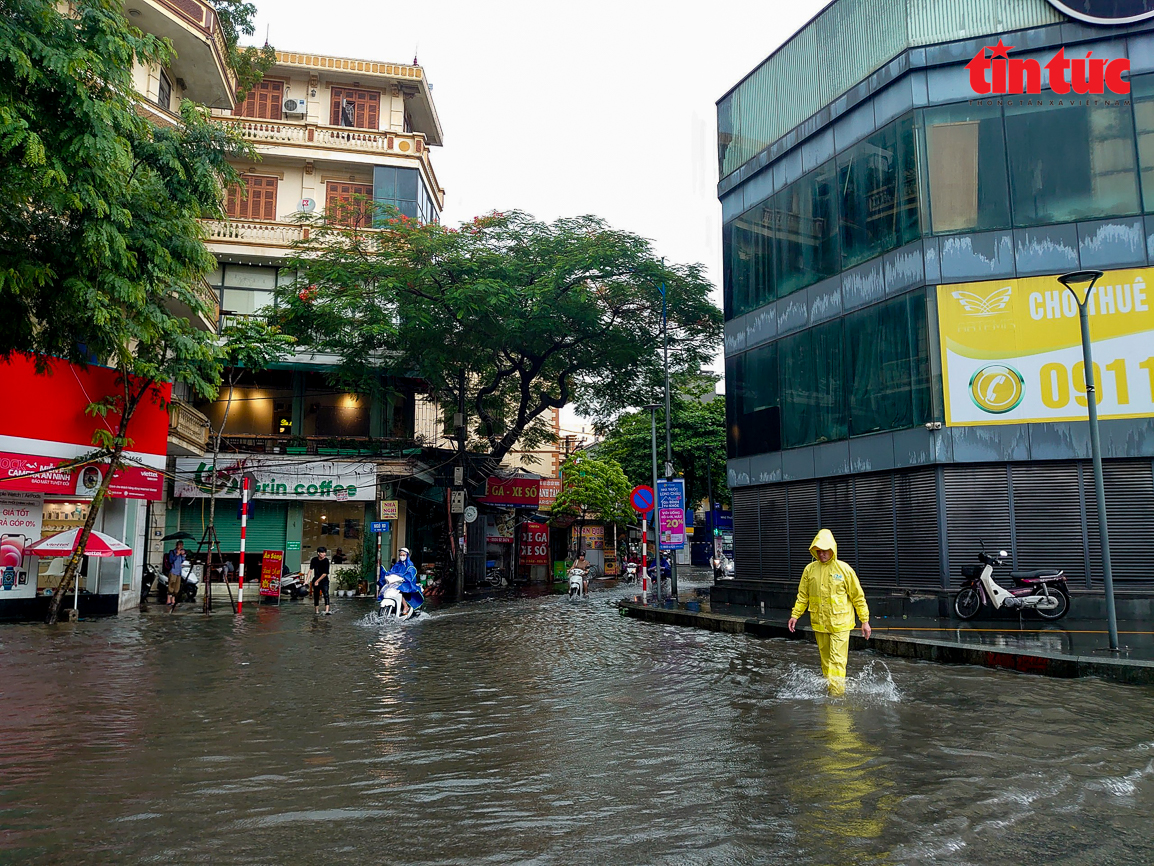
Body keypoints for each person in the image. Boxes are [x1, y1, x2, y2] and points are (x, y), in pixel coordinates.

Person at [787, 529, 870, 696]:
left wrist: (865, 620)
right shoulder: (810, 570)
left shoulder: (844, 569)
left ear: (832, 549)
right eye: (819, 550)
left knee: (837, 661)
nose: (822, 554)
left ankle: (837, 696)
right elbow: (803, 595)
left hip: (841, 624)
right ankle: (831, 691)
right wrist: (795, 615)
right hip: (820, 624)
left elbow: (857, 596)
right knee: (826, 661)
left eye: (825, 550)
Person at [378, 547, 419, 616]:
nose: (402, 556)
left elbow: (411, 574)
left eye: (403, 555)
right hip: (396, 582)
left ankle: (406, 606)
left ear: (407, 556)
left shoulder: (410, 565)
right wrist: (388, 575)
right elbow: (391, 571)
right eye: (401, 555)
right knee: (385, 589)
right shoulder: (397, 564)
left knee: (400, 590)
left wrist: (404, 577)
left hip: (406, 583)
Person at [308, 546, 331, 615]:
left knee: (326, 594)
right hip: (316, 579)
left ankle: (327, 610)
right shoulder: (314, 560)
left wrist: (317, 581)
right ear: (318, 553)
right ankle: (316, 610)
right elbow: (310, 570)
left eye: (325, 552)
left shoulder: (326, 561)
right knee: (316, 595)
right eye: (322, 552)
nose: (324, 554)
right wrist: (306, 580)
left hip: (324, 580)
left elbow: (325, 573)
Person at [162, 541, 186, 608]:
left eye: (182, 545)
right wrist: (177, 555)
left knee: (177, 587)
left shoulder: (182, 552)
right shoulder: (172, 552)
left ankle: (173, 600)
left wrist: (183, 555)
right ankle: (168, 600)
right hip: (173, 571)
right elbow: (171, 560)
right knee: (171, 586)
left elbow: (182, 560)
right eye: (179, 545)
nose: (180, 546)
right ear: (176, 545)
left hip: (179, 572)